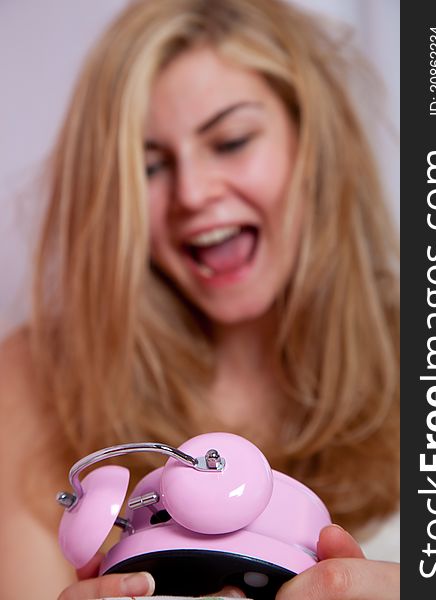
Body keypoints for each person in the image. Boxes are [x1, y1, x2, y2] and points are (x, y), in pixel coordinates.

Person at [0, 0, 400, 598]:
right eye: (149, 166)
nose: (191, 192)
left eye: (232, 140)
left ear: (313, 145)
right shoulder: (35, 381)